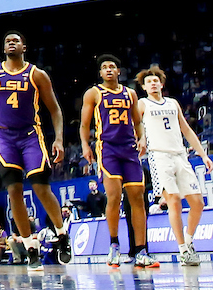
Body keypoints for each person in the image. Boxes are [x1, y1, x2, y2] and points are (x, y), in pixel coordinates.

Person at [0, 31, 72, 271]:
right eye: (7, 40)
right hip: (4, 136)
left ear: (24, 47)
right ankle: (30, 248)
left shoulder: (37, 74)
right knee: (13, 190)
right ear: (3, 47)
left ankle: (61, 233)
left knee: (41, 186)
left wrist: (58, 139)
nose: (11, 43)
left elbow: (56, 110)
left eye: (16, 40)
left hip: (30, 135)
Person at [80, 56, 156, 269]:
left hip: (130, 150)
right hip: (108, 149)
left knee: (138, 199)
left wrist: (142, 138)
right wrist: (85, 146)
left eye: (112, 66)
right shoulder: (94, 93)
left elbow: (138, 122)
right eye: (104, 67)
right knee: (114, 197)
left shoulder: (130, 93)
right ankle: (114, 245)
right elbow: (85, 125)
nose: (109, 70)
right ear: (100, 73)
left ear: (119, 71)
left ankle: (141, 251)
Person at [137, 65, 213, 267]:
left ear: (161, 84)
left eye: (155, 80)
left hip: (180, 155)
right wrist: (142, 139)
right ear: (144, 87)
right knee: (174, 201)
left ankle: (189, 241)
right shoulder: (142, 104)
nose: (153, 83)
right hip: (158, 156)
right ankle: (182, 250)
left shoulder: (173, 103)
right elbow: (137, 126)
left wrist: (203, 155)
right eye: (149, 81)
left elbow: (186, 129)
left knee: (198, 203)